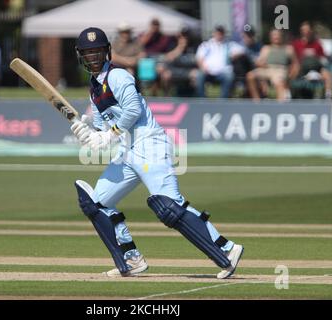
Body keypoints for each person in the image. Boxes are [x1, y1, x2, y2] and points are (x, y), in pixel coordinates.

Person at [70, 27, 244, 279]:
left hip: (149, 144)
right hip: (127, 151)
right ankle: (131, 259)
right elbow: (102, 128)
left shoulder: (118, 76)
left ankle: (226, 248)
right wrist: (87, 132)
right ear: (81, 56)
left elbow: (132, 111)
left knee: (169, 206)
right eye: (88, 52)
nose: (94, 56)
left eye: (97, 51)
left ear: (106, 51)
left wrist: (108, 135)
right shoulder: (94, 87)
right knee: (97, 203)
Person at [246, 29, 299, 102]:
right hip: (267, 69)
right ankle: (256, 101)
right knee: (250, 76)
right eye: (274, 35)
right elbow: (258, 62)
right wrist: (261, 66)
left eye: (277, 35)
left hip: (280, 70)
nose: (276, 37)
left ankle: (280, 105)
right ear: (270, 37)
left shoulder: (288, 48)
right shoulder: (266, 48)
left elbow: (296, 64)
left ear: (281, 36)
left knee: (279, 83)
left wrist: (291, 77)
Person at [195, 25, 245, 98]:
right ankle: (202, 100)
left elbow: (243, 50)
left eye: (221, 33)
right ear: (214, 33)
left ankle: (222, 101)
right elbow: (199, 57)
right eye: (217, 32)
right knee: (199, 75)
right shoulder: (206, 44)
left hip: (223, 73)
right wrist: (203, 67)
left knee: (229, 77)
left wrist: (235, 55)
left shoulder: (229, 44)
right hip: (208, 72)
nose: (219, 35)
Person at [292, 21, 332, 99]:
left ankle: (328, 96)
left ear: (311, 31)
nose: (306, 32)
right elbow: (294, 58)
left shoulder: (317, 44)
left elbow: (323, 57)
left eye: (307, 30)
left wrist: (315, 56)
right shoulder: (296, 43)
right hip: (301, 69)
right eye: (304, 30)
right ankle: (289, 94)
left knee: (328, 74)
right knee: (294, 70)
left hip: (316, 68)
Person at [155, 26, 200, 96]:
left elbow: (197, 60)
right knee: (165, 75)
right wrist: (180, 48)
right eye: (182, 36)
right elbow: (168, 58)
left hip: (189, 70)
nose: (184, 38)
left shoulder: (194, 46)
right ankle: (166, 97)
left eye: (186, 36)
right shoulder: (173, 45)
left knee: (196, 75)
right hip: (175, 70)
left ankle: (197, 97)